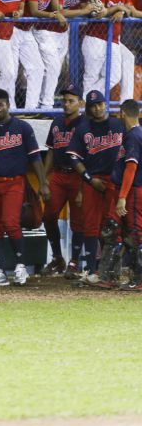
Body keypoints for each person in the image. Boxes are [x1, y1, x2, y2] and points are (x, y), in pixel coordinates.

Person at [0, 88, 49, 286]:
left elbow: (35, 157)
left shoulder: (22, 127)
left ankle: (20, 266)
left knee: (10, 222)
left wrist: (43, 182)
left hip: (14, 181)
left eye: (0, 104)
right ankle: (0, 270)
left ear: (8, 105)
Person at [66, 90, 125, 287]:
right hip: (94, 180)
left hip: (115, 181)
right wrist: (89, 180)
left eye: (100, 104)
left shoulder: (119, 124)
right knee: (91, 225)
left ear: (105, 104)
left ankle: (111, 272)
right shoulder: (83, 129)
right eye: (93, 106)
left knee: (113, 225)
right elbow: (73, 157)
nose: (97, 108)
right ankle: (92, 269)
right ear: (89, 108)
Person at [41, 84, 85, 278]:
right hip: (58, 175)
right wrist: (43, 178)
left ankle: (74, 261)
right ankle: (58, 258)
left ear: (80, 103)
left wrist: (84, 186)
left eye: (71, 101)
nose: (66, 104)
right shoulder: (57, 122)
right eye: (64, 101)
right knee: (48, 215)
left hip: (77, 176)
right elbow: (51, 150)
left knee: (78, 221)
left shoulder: (86, 124)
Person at [82, 0, 142, 98]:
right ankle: (87, 106)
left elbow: (128, 9)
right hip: (95, 39)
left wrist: (121, 11)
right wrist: (117, 8)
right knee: (91, 76)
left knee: (114, 76)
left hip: (113, 39)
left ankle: (87, 100)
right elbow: (100, 14)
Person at [12, 0, 66, 110]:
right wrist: (53, 15)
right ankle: (10, 108)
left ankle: (31, 108)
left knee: (37, 68)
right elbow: (35, 11)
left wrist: (59, 15)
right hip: (12, 30)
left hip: (27, 31)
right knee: (10, 72)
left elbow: (56, 9)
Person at [114, 99, 142, 290]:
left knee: (135, 233)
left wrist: (122, 196)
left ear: (122, 114)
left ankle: (138, 279)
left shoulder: (133, 136)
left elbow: (131, 167)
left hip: (135, 191)